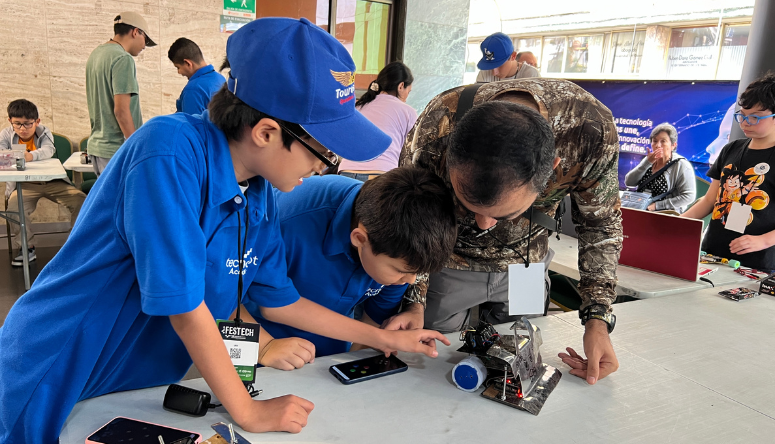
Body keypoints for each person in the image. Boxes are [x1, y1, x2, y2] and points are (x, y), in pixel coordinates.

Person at [0, 18, 449, 443]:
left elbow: (282, 300)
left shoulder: (259, 194)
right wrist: (248, 411)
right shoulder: (169, 152)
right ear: (267, 132)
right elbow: (185, 306)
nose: (321, 168)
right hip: (61, 363)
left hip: (142, 379)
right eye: (323, 153)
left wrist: (387, 339)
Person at [400, 78, 622, 385]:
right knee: (432, 369)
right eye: (468, 204)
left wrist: (597, 319)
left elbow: (600, 224)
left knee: (517, 367)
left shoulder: (588, 131)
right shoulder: (437, 128)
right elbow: (414, 216)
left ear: (551, 170)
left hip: (525, 263)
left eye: (503, 214)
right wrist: (415, 300)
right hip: (449, 262)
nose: (482, 224)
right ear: (449, 157)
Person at [242, 167, 456, 367]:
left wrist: (354, 363)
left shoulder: (399, 245)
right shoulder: (290, 220)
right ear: (359, 239)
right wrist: (264, 346)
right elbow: (224, 297)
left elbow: (370, 323)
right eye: (402, 271)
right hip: (254, 344)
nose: (409, 280)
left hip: (327, 355)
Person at [682, 72, 775, 272]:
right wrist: (678, 223)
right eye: (741, 115)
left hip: (757, 262)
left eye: (756, 117)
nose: (745, 123)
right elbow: (709, 200)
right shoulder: (731, 149)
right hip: (712, 253)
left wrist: (763, 241)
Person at [1, 99, 86, 266]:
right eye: (17, 124)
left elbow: (49, 150)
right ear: (10, 120)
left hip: (52, 182)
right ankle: (27, 248)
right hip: (24, 185)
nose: (22, 129)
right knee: (13, 209)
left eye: (27, 124)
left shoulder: (43, 131)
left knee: (81, 201)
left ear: (37, 121)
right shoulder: (5, 134)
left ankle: (75, 245)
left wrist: (30, 156)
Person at [85, 11, 156, 175]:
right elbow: (121, 111)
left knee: (109, 201)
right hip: (116, 149)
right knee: (126, 200)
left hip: (97, 148)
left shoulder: (96, 54)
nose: (144, 46)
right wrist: (135, 147)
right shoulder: (123, 58)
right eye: (145, 39)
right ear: (135, 32)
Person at [337, 61, 417, 181]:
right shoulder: (408, 111)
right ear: (401, 86)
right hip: (380, 175)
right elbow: (411, 152)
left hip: (345, 172)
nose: (406, 97)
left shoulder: (359, 106)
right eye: (408, 92)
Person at [624, 123, 696, 213]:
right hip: (641, 208)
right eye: (654, 141)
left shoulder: (681, 165)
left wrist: (657, 206)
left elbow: (688, 197)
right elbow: (629, 182)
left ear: (673, 145)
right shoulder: (648, 160)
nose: (658, 145)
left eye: (663, 141)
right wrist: (647, 163)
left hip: (665, 213)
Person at [168, 37, 227, 115]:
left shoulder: (193, 89)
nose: (179, 72)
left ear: (188, 63)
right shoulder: (220, 78)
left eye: (178, 67)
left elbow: (190, 125)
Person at [476, 32, 540, 83]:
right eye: (490, 65)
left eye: (499, 64)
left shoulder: (531, 75)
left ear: (513, 56)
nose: (494, 73)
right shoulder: (484, 73)